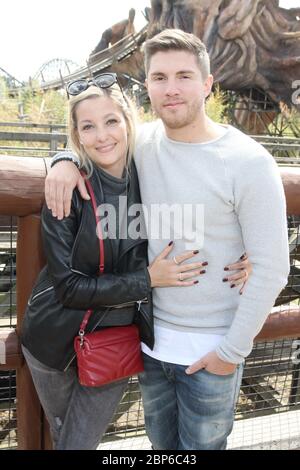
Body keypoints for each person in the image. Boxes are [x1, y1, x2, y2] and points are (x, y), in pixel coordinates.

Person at [44, 29, 289, 451]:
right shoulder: (142, 145)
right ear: (147, 87)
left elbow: (273, 268)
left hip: (213, 351)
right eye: (159, 78)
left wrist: (231, 352)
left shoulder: (249, 162)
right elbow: (96, 143)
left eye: (183, 76)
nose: (171, 89)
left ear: (208, 85)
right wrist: (62, 161)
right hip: (151, 347)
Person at [21, 72, 250, 450]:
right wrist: (148, 279)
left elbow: (214, 187)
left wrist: (248, 252)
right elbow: (69, 288)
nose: (102, 135)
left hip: (113, 339)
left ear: (128, 122)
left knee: (75, 442)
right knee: (65, 434)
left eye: (111, 121)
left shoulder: (152, 174)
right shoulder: (70, 191)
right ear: (76, 135)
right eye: (88, 127)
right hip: (52, 340)